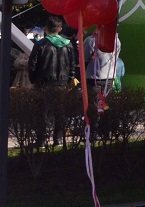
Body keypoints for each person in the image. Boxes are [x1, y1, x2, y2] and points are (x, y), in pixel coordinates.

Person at [27, 15, 77, 148]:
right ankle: (58, 139)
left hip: (43, 83)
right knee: (60, 113)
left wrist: (34, 80)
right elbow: (72, 66)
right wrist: (69, 80)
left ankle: (41, 140)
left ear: (46, 29)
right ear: (60, 29)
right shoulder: (68, 45)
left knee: (40, 113)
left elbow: (32, 65)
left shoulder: (40, 44)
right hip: (61, 84)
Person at [84, 33, 121, 113]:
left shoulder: (90, 40)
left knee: (93, 105)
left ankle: (94, 119)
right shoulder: (116, 41)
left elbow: (85, 59)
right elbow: (116, 57)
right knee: (106, 106)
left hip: (93, 78)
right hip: (109, 77)